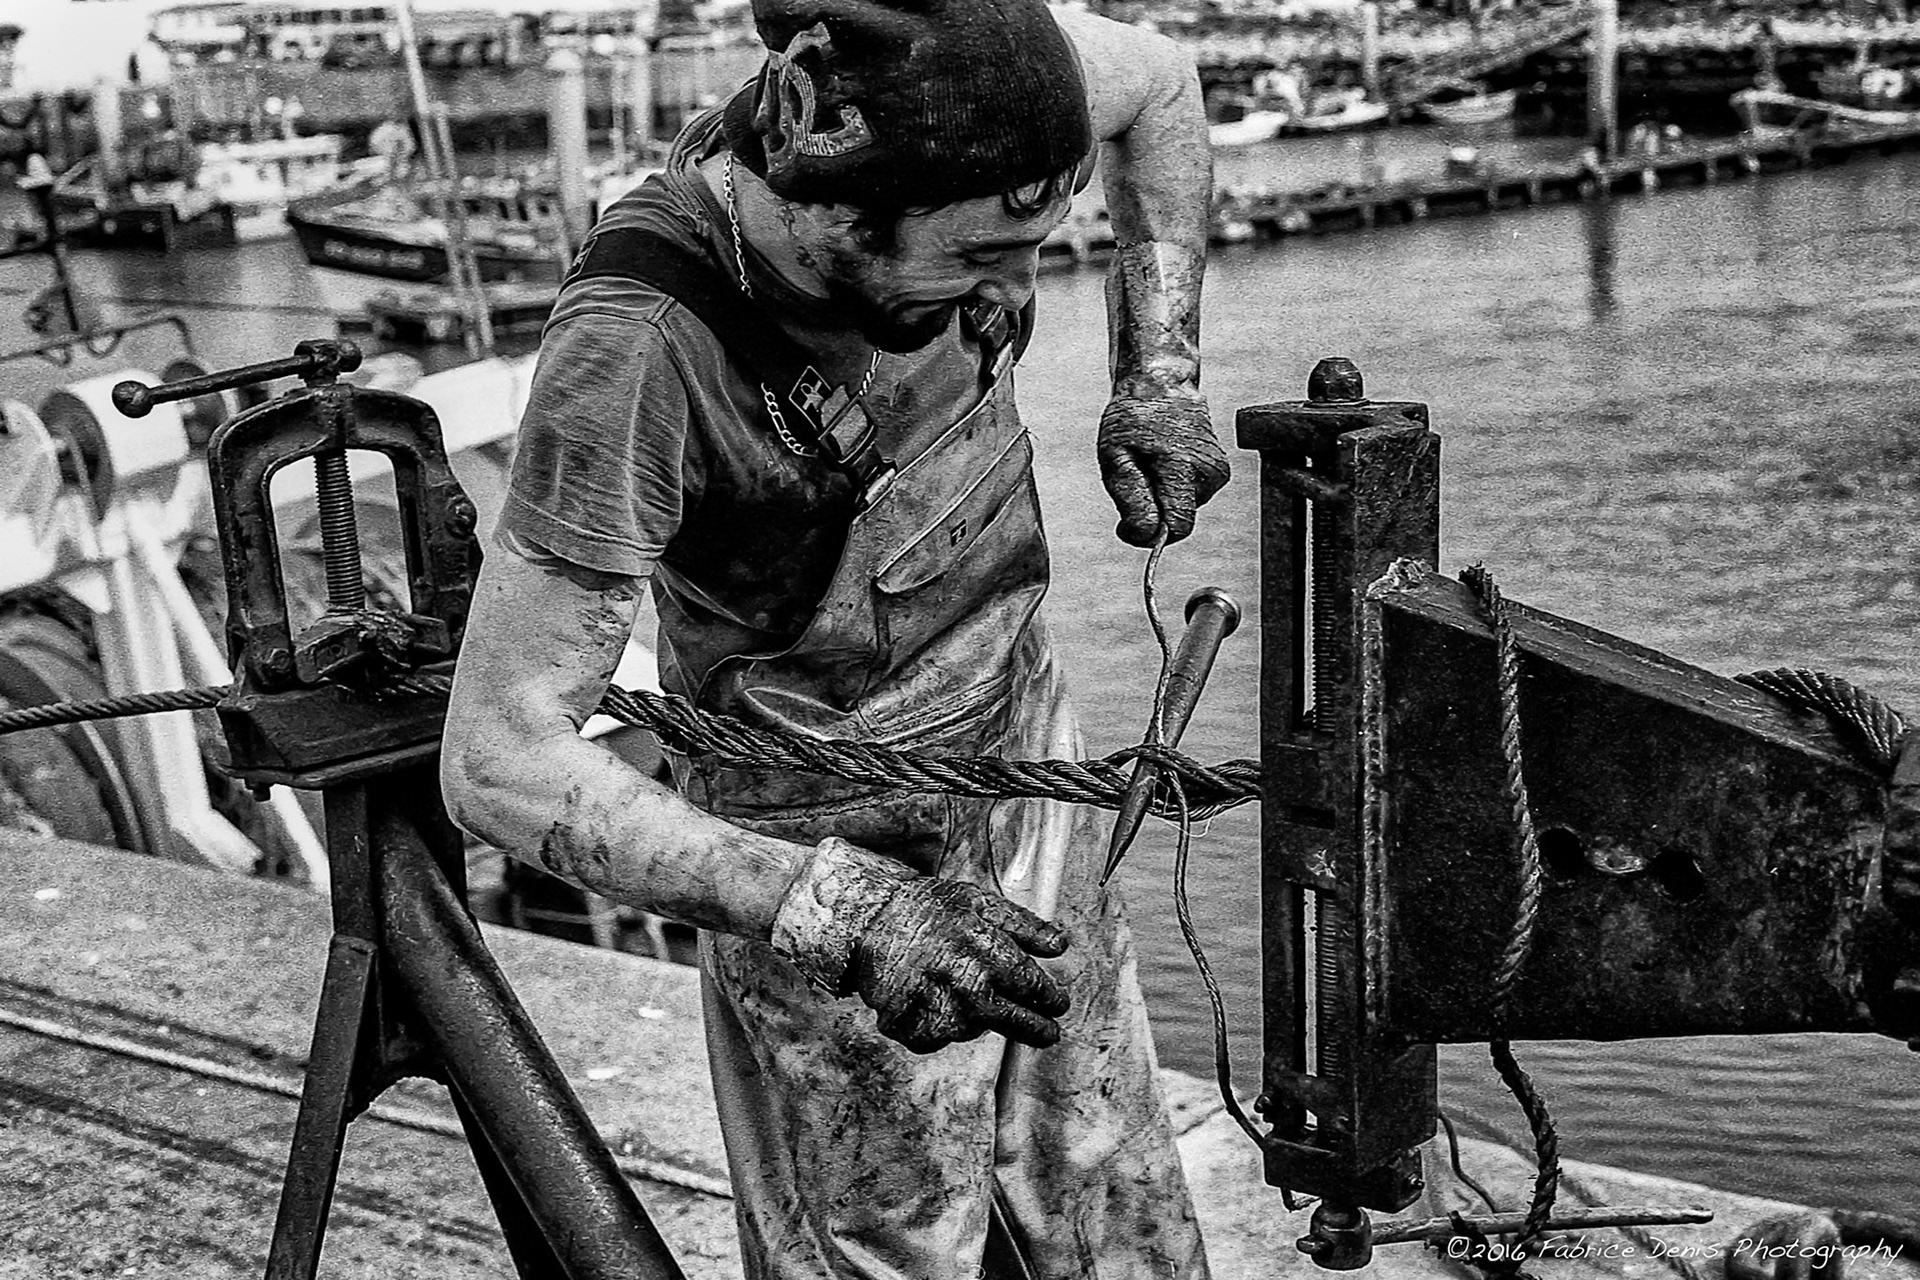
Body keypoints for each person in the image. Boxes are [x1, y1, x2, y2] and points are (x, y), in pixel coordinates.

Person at [438, 0, 1228, 1273]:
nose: (1017, 290)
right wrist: (842, 912)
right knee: (886, 1235)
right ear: (834, 205)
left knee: (1104, 1178)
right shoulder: (638, 357)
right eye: (979, 255)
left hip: (1020, 747)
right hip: (816, 822)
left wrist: (1161, 373)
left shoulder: (994, 84)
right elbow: (499, 755)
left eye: (1035, 245)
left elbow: (1169, 86)